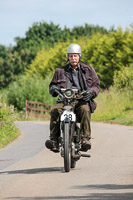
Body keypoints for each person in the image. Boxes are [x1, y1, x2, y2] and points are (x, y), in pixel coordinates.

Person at [45, 43, 100, 152]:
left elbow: (96, 85)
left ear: (79, 56)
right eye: (71, 56)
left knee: (85, 109)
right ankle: (54, 140)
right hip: (64, 100)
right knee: (55, 110)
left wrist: (91, 91)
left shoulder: (88, 69)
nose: (73, 58)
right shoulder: (59, 71)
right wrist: (53, 89)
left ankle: (85, 139)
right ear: (68, 57)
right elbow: (52, 85)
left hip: (81, 99)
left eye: (75, 55)